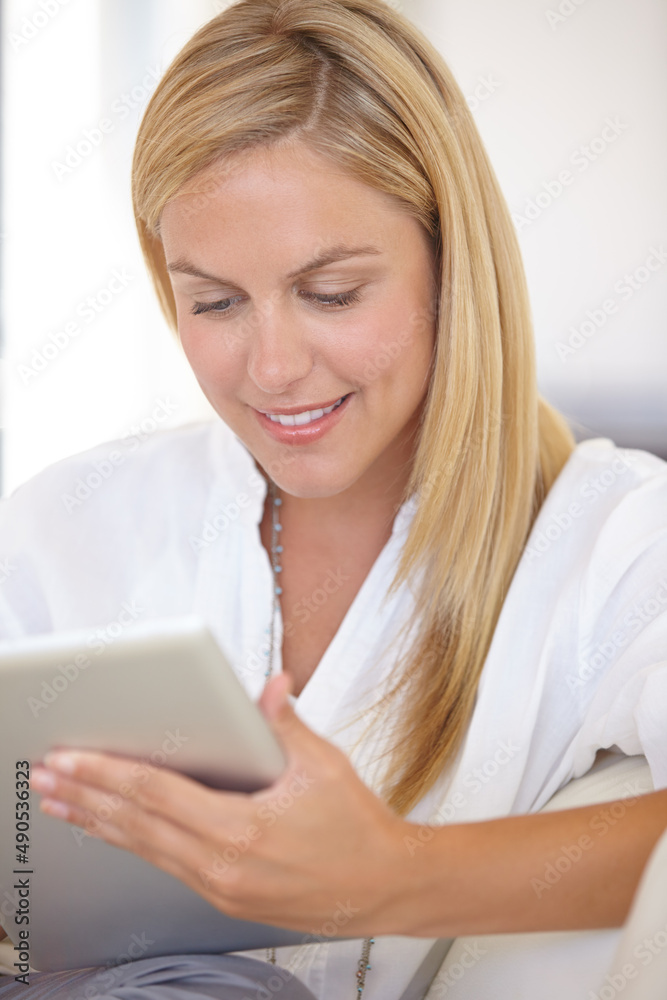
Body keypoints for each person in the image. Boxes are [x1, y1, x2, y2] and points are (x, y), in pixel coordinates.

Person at [1, 0, 666, 996]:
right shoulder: (71, 522)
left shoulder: (609, 538)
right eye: (214, 301)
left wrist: (393, 876)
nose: (271, 367)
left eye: (333, 293)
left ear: (451, 267)